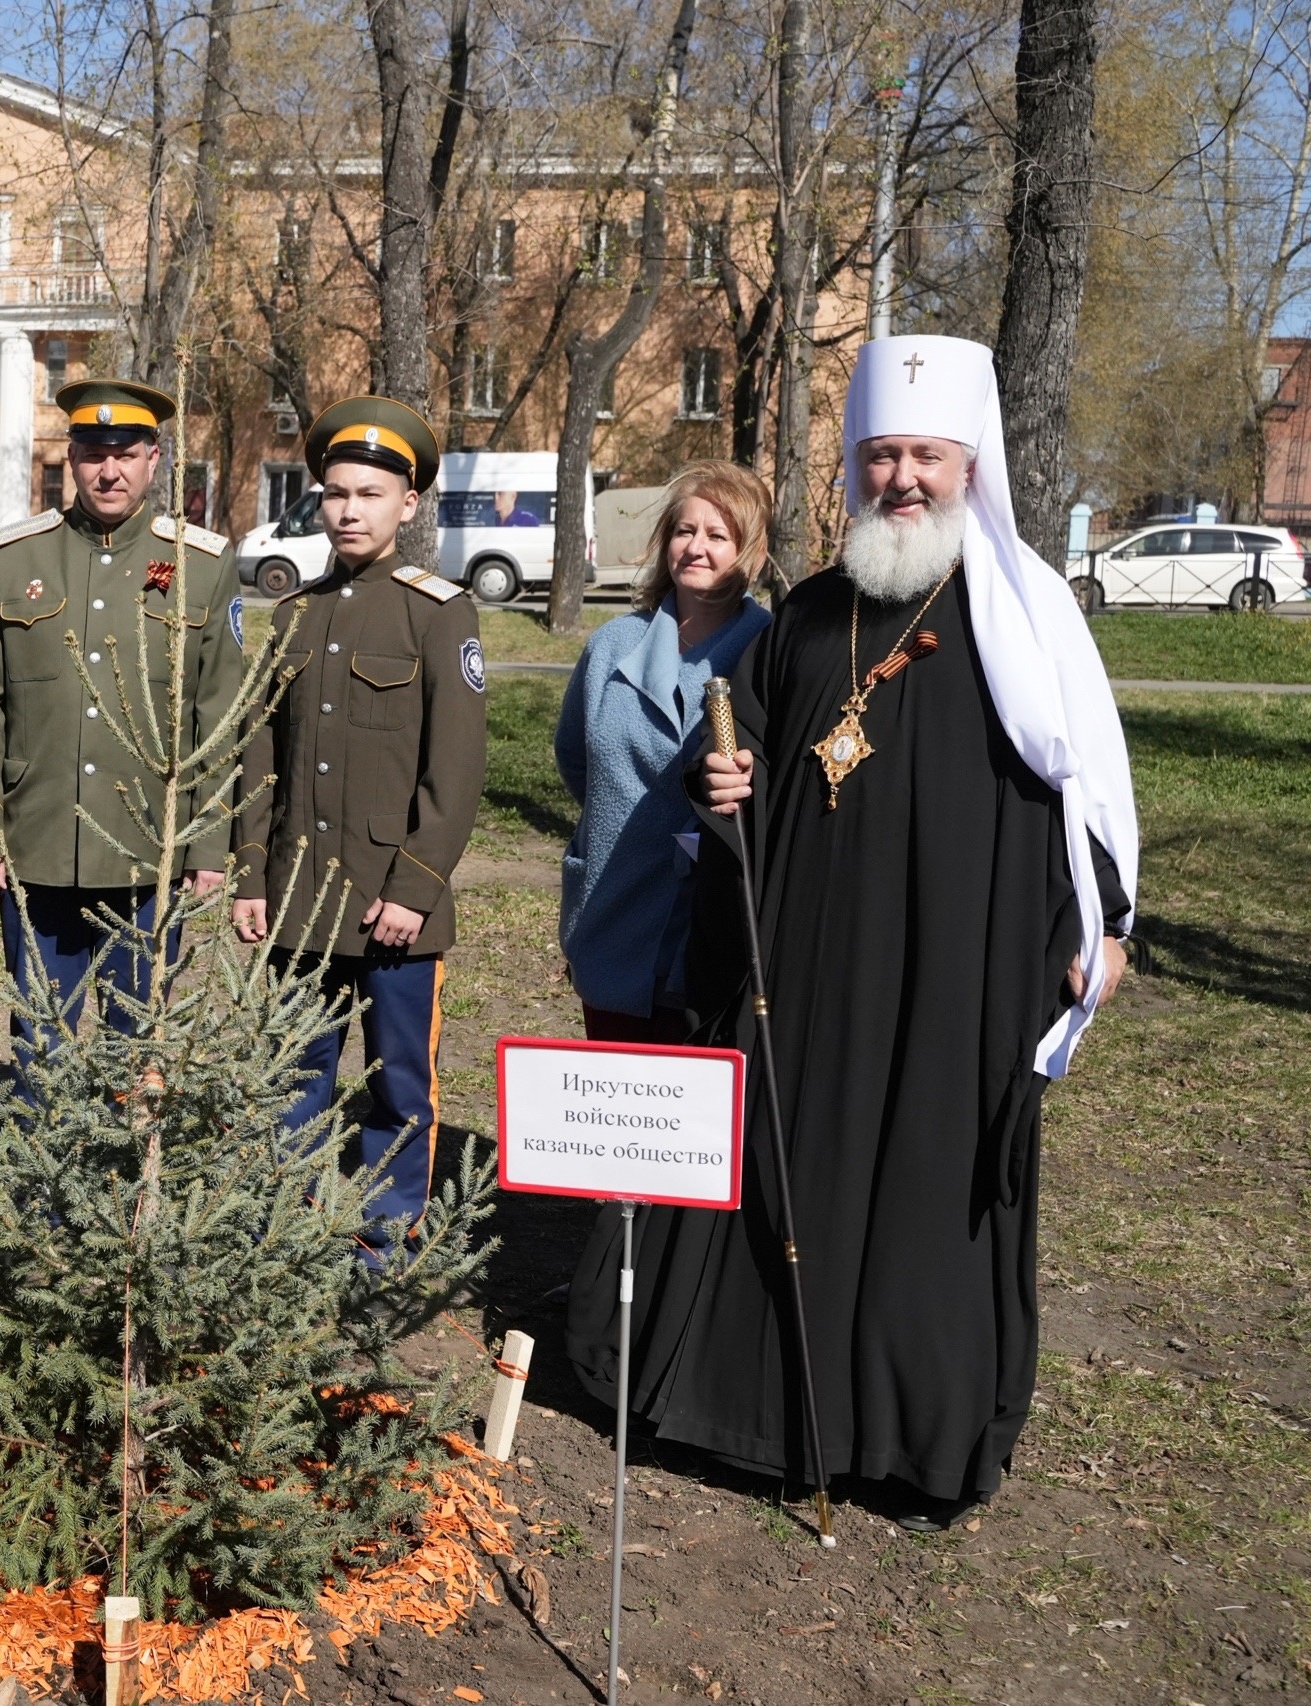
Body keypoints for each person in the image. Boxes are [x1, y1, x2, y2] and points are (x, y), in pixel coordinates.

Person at [565, 335, 1138, 1530]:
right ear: (853, 466)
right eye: (881, 455)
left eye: (925, 455)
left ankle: (905, 1434)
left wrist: (1102, 922)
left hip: (958, 969)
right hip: (809, 963)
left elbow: (1081, 780)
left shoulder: (1024, 618)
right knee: (783, 1157)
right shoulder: (810, 614)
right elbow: (745, 753)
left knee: (928, 1188)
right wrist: (723, 782)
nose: (903, 479)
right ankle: (751, 1411)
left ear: (967, 463)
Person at [230, 397, 487, 1255]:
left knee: (398, 1083)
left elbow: (453, 773)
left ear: (407, 505)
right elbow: (262, 754)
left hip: (391, 908)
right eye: (336, 493)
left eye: (370, 495)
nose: (348, 511)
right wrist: (253, 876)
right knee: (294, 1074)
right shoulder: (298, 612)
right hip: (300, 899)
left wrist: (414, 888)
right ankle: (284, 1233)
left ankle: (384, 1235)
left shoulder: (438, 613)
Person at [0, 378, 242, 1051]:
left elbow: (219, 713)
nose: (108, 471)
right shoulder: (11, 556)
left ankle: (121, 1158)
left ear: (154, 457)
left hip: (150, 847)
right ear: (71, 458)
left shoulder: (201, 563)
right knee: (39, 1034)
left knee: (134, 1038)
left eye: (126, 453)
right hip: (37, 841)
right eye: (91, 453)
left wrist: (208, 846)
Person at [554, 462, 774, 1042]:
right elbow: (576, 756)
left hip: (717, 926)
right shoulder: (611, 646)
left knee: (705, 1117)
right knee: (621, 1106)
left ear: (750, 550)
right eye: (684, 531)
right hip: (616, 907)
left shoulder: (771, 652)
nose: (696, 547)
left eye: (717, 535)